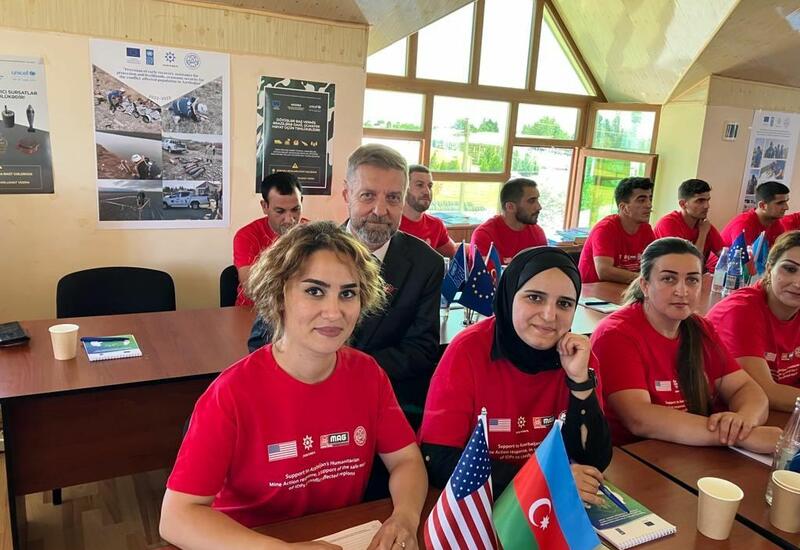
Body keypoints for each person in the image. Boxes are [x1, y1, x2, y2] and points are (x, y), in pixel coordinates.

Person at [160, 221, 427, 550]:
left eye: (348, 293)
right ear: (280, 295)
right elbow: (176, 516)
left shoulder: (368, 375)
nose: (334, 312)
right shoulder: (230, 393)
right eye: (314, 291)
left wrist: (405, 516)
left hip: (338, 534)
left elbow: (406, 460)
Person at [249, 144, 444, 426]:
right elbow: (262, 339)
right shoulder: (304, 251)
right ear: (346, 195)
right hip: (302, 400)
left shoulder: (427, 263)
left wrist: (350, 371)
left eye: (392, 197)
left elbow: (422, 349)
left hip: (383, 404)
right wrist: (322, 372)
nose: (380, 210)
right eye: (368, 195)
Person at [419, 247, 612, 503]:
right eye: (535, 297)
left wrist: (580, 383)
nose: (549, 315)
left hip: (555, 502)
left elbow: (594, 461)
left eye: (564, 304)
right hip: (483, 506)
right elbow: (438, 459)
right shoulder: (467, 351)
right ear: (509, 296)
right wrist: (543, 481)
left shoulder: (578, 354)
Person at [591, 238, 780, 451]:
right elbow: (639, 418)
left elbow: (745, 388)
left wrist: (743, 422)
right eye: (668, 279)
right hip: (635, 457)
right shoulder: (615, 333)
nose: (682, 291)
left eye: (692, 280)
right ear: (645, 285)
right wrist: (739, 437)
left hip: (692, 451)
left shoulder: (699, 328)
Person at [706, 231, 800, 412]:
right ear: (769, 268)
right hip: (722, 418)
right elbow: (766, 392)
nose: (798, 283)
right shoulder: (741, 311)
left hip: (775, 416)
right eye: (789, 269)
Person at [233, 172, 305, 306]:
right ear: (265, 206)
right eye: (280, 211)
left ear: (301, 201)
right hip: (254, 309)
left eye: (295, 209)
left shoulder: (313, 233)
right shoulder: (246, 236)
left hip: (300, 308)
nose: (289, 219)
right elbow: (252, 287)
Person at [578, 177, 656, 283]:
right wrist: (644, 279)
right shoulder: (605, 229)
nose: (649, 205)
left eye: (649, 199)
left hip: (625, 287)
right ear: (624, 208)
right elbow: (604, 271)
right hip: (592, 289)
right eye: (642, 200)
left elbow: (656, 264)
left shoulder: (646, 229)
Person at [470, 177, 546, 264]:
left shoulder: (537, 233)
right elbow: (485, 272)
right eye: (531, 201)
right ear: (510, 207)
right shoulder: (484, 235)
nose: (539, 207)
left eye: (537, 200)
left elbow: (544, 268)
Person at [654, 178, 724, 265]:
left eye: (708, 200)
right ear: (683, 204)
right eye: (700, 201)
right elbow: (687, 264)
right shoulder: (668, 224)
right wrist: (702, 234)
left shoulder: (704, 225)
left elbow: (726, 256)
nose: (707, 206)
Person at [399, 164, 457, 257]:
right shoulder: (391, 223)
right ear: (404, 188)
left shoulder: (436, 225)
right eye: (420, 185)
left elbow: (454, 252)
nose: (427, 191)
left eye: (429, 186)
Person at [720, 180, 788, 248]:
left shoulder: (776, 223)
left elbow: (782, 251)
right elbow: (741, 254)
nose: (786, 207)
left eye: (786, 202)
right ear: (762, 206)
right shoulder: (744, 224)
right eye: (780, 203)